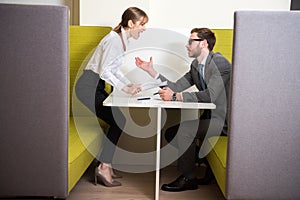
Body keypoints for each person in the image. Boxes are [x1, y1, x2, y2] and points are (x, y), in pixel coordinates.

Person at [135, 28, 231, 192]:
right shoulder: (196, 65)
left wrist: (176, 97)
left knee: (186, 129)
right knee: (171, 132)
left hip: (224, 121)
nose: (187, 45)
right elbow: (176, 86)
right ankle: (204, 165)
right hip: (210, 118)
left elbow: (211, 95)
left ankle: (188, 178)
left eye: (190, 41)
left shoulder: (219, 62)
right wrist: (151, 71)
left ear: (203, 43)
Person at [75, 7, 148, 187]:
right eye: (142, 24)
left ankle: (106, 164)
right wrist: (125, 87)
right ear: (131, 23)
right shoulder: (114, 40)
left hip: (95, 86)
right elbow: (105, 71)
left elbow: (113, 69)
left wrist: (128, 84)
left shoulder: (121, 40)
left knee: (118, 120)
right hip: (88, 86)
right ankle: (104, 167)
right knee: (119, 120)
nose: (144, 29)